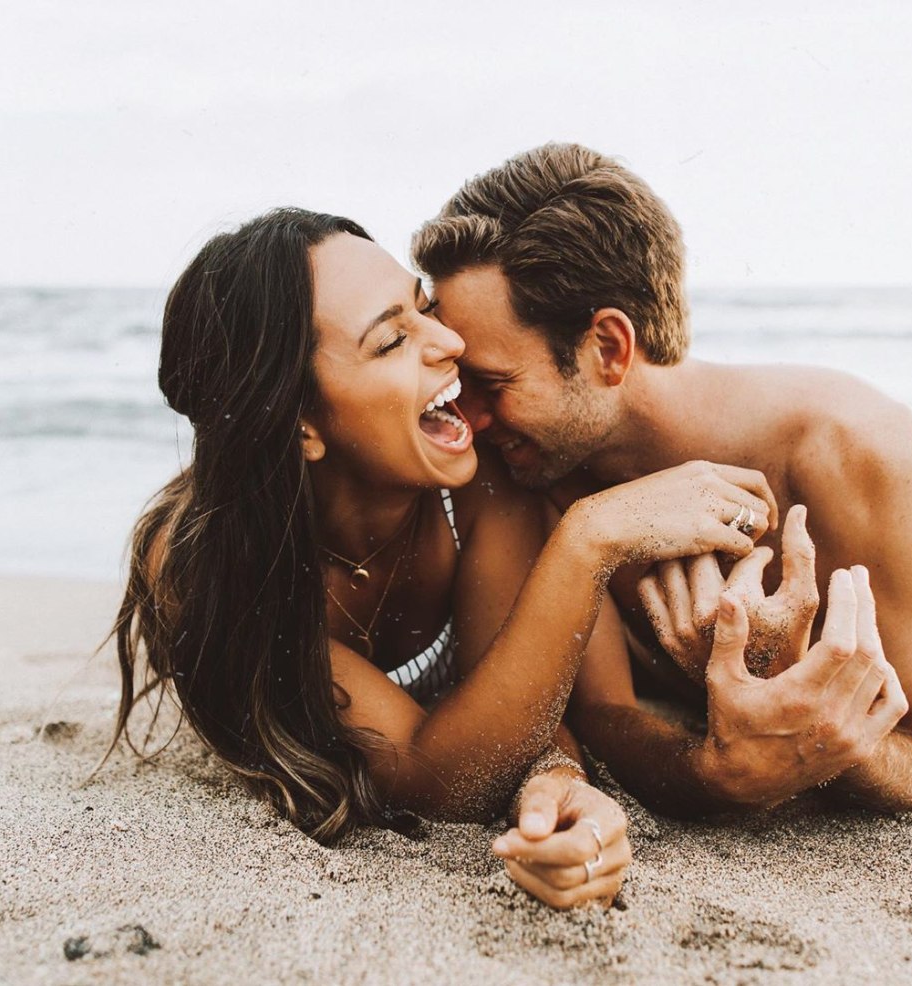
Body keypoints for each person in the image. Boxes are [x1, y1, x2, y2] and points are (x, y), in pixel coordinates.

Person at [110, 208, 793, 908]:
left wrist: (555, 782)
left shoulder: (471, 475)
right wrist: (589, 537)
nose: (448, 341)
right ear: (298, 425)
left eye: (423, 307)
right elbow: (437, 782)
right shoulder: (205, 567)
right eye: (392, 340)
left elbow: (524, 689)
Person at [411, 142, 912, 816]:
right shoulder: (535, 462)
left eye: (492, 382)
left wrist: (816, 725)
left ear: (607, 347)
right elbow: (603, 712)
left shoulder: (858, 451)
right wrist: (709, 774)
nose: (467, 417)